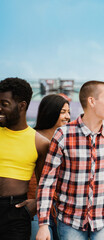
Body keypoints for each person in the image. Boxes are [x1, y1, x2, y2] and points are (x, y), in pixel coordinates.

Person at [36, 81, 104, 240]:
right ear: (92, 101)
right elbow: (48, 181)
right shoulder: (62, 135)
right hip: (70, 219)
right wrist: (43, 224)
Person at [0, 77, 49, 239]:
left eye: (4, 104)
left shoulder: (40, 143)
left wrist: (35, 204)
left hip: (16, 214)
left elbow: (46, 183)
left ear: (22, 106)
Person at [28, 94, 70, 240]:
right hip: (36, 208)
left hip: (62, 209)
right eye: (63, 112)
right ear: (50, 112)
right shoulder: (33, 138)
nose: (67, 116)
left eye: (68, 112)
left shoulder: (67, 139)